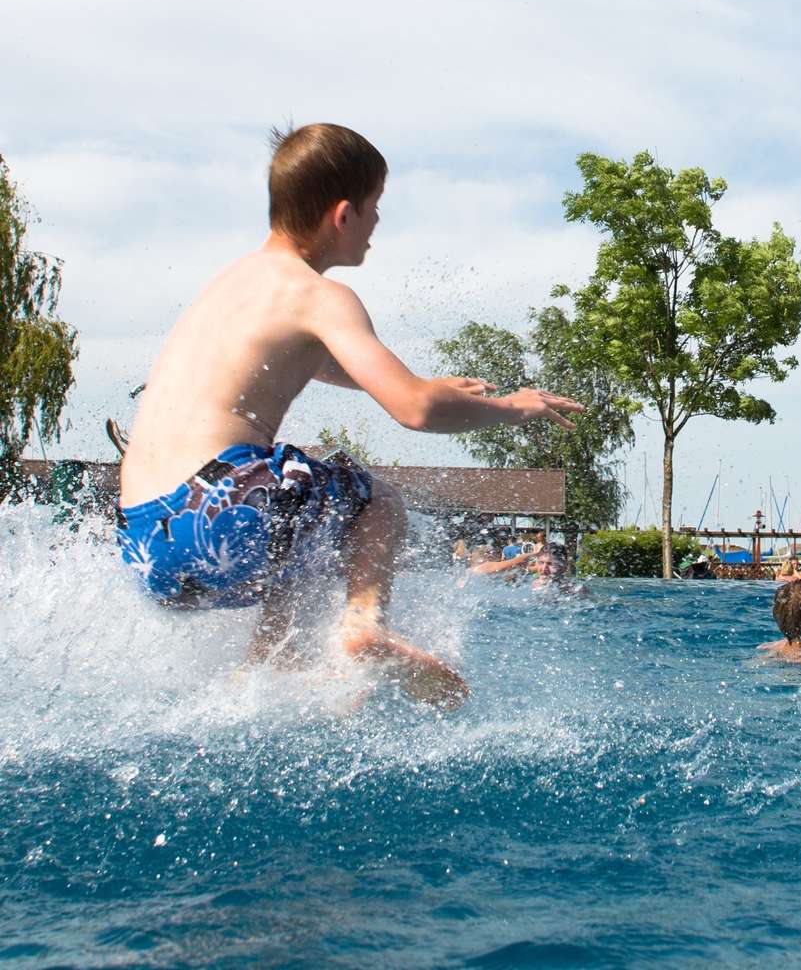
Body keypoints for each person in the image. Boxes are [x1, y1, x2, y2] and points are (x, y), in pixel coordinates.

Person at [115, 123, 583, 710]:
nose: (378, 224)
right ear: (343, 215)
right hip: (218, 511)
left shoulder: (230, 284)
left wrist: (408, 380)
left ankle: (266, 667)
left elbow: (308, 361)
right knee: (370, 499)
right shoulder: (319, 296)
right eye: (375, 208)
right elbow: (413, 410)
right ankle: (364, 624)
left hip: (145, 543)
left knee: (300, 527)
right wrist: (511, 408)